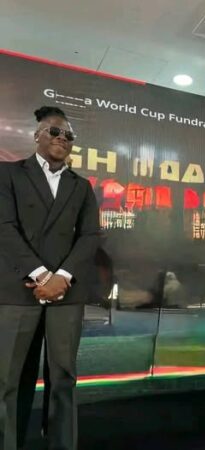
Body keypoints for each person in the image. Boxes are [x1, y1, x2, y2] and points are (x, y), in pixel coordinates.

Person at [0, 106, 100, 450]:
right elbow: (4, 228)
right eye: (55, 131)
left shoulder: (81, 186)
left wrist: (62, 277)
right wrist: (42, 274)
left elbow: (90, 236)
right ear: (37, 136)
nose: (62, 138)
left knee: (63, 379)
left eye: (68, 135)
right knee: (8, 380)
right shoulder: (8, 174)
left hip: (66, 295)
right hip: (17, 290)